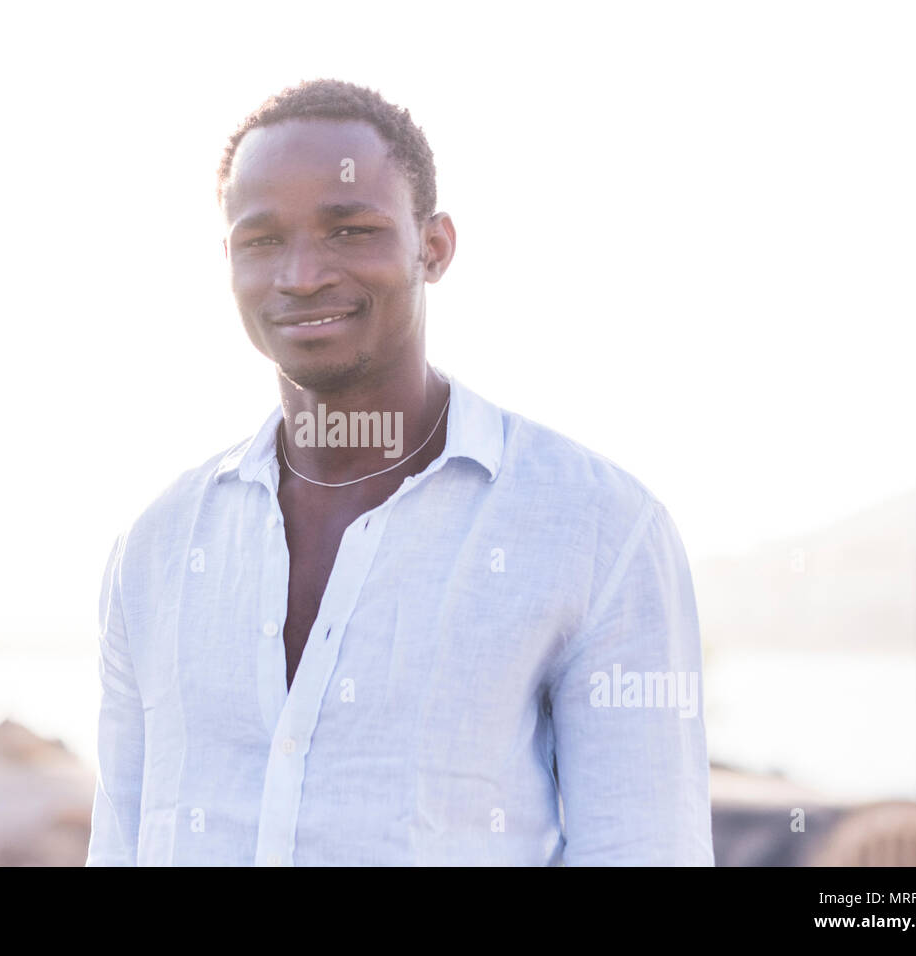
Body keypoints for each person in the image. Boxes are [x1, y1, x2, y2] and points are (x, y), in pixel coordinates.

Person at [86, 78, 714, 866]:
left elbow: (644, 848)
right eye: (263, 240)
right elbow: (118, 843)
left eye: (350, 230)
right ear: (228, 260)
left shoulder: (597, 529)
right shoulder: (156, 547)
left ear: (435, 246)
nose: (303, 273)